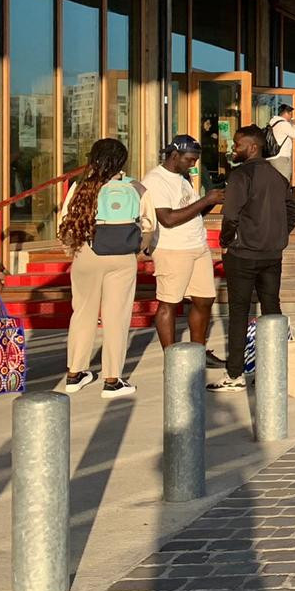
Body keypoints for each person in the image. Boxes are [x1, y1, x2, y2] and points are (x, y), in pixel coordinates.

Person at [58, 138, 156, 398]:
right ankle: (112, 380)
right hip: (122, 256)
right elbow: (149, 225)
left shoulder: (81, 187)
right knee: (117, 317)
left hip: (87, 255)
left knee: (83, 313)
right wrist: (140, 248)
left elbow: (64, 221)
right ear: (122, 161)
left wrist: (74, 250)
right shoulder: (135, 187)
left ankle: (75, 374)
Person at [210, 125, 295, 393]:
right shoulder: (277, 176)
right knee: (272, 308)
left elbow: (230, 216)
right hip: (272, 254)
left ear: (252, 147)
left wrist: (227, 241)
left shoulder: (240, 176)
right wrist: (277, 234)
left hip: (243, 254)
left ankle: (235, 374)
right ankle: (277, 367)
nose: (233, 149)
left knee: (239, 312)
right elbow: (293, 212)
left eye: (237, 145)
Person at [144, 135, 225, 363]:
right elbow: (167, 218)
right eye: (190, 159)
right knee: (169, 301)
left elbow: (192, 211)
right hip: (172, 248)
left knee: (204, 299)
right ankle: (171, 358)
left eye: (196, 160)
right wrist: (205, 200)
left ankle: (198, 352)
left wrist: (210, 202)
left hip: (196, 245)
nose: (193, 164)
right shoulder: (155, 180)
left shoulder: (183, 177)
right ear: (174, 155)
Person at [268, 103, 295, 183]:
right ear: (286, 113)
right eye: (290, 114)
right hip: (281, 157)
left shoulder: (272, 123)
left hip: (271, 157)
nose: (291, 117)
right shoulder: (283, 124)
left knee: (273, 182)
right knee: (283, 182)